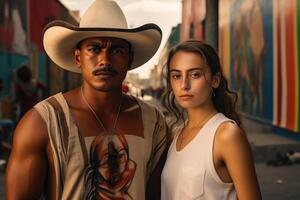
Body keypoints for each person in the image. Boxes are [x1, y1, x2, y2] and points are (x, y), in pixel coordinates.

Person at [6, 0, 167, 199]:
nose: (105, 60)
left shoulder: (154, 122)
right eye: (94, 49)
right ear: (78, 57)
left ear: (130, 59)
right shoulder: (42, 123)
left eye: (117, 50)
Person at [161, 40, 261, 199]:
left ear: (215, 80)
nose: (184, 85)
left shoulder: (226, 135)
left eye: (195, 74)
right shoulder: (176, 134)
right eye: (176, 75)